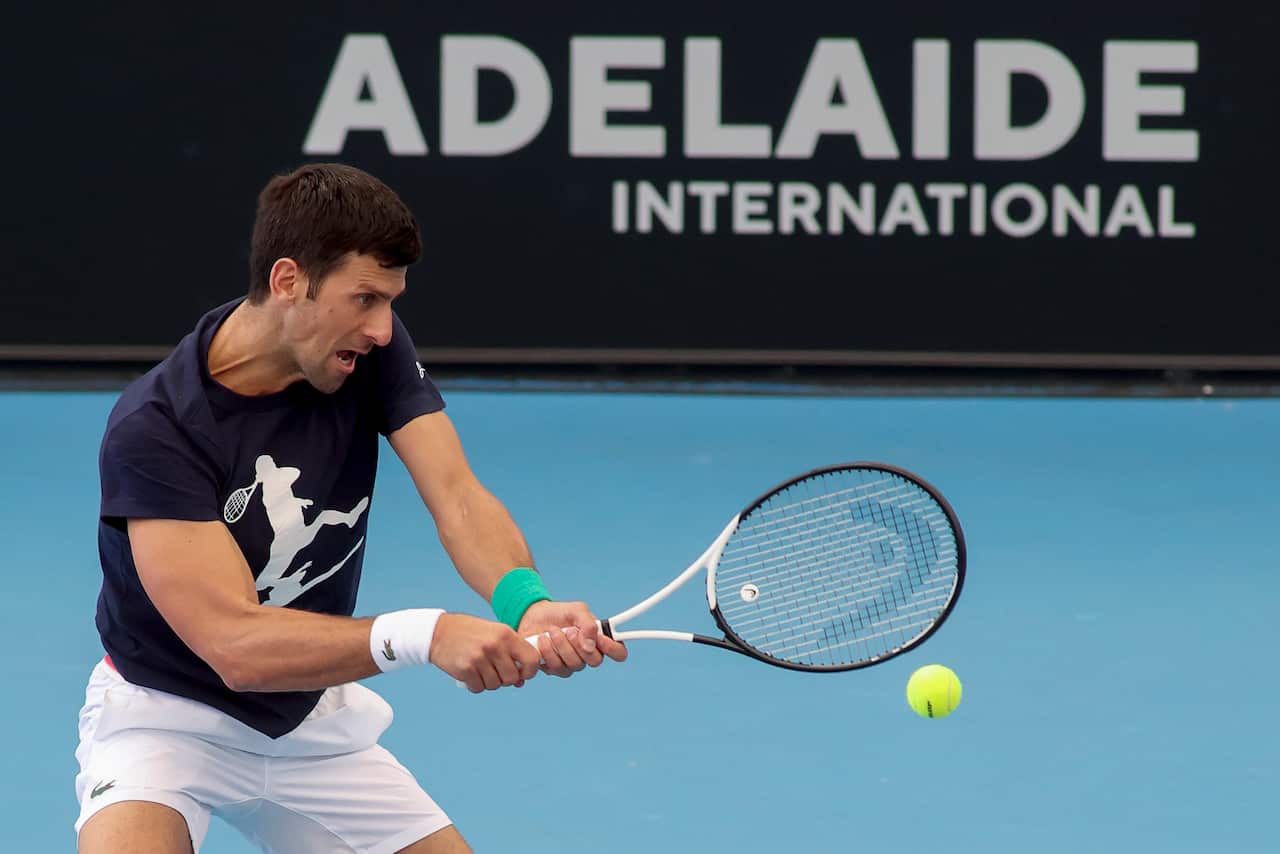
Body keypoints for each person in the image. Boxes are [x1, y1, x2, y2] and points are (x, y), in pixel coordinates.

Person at [74, 162, 627, 854]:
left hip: (308, 720)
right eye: (365, 298)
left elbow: (455, 494)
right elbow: (237, 647)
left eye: (391, 300)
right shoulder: (155, 430)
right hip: (164, 717)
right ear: (287, 282)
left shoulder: (364, 355)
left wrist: (526, 602)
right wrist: (424, 633)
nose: (384, 328)